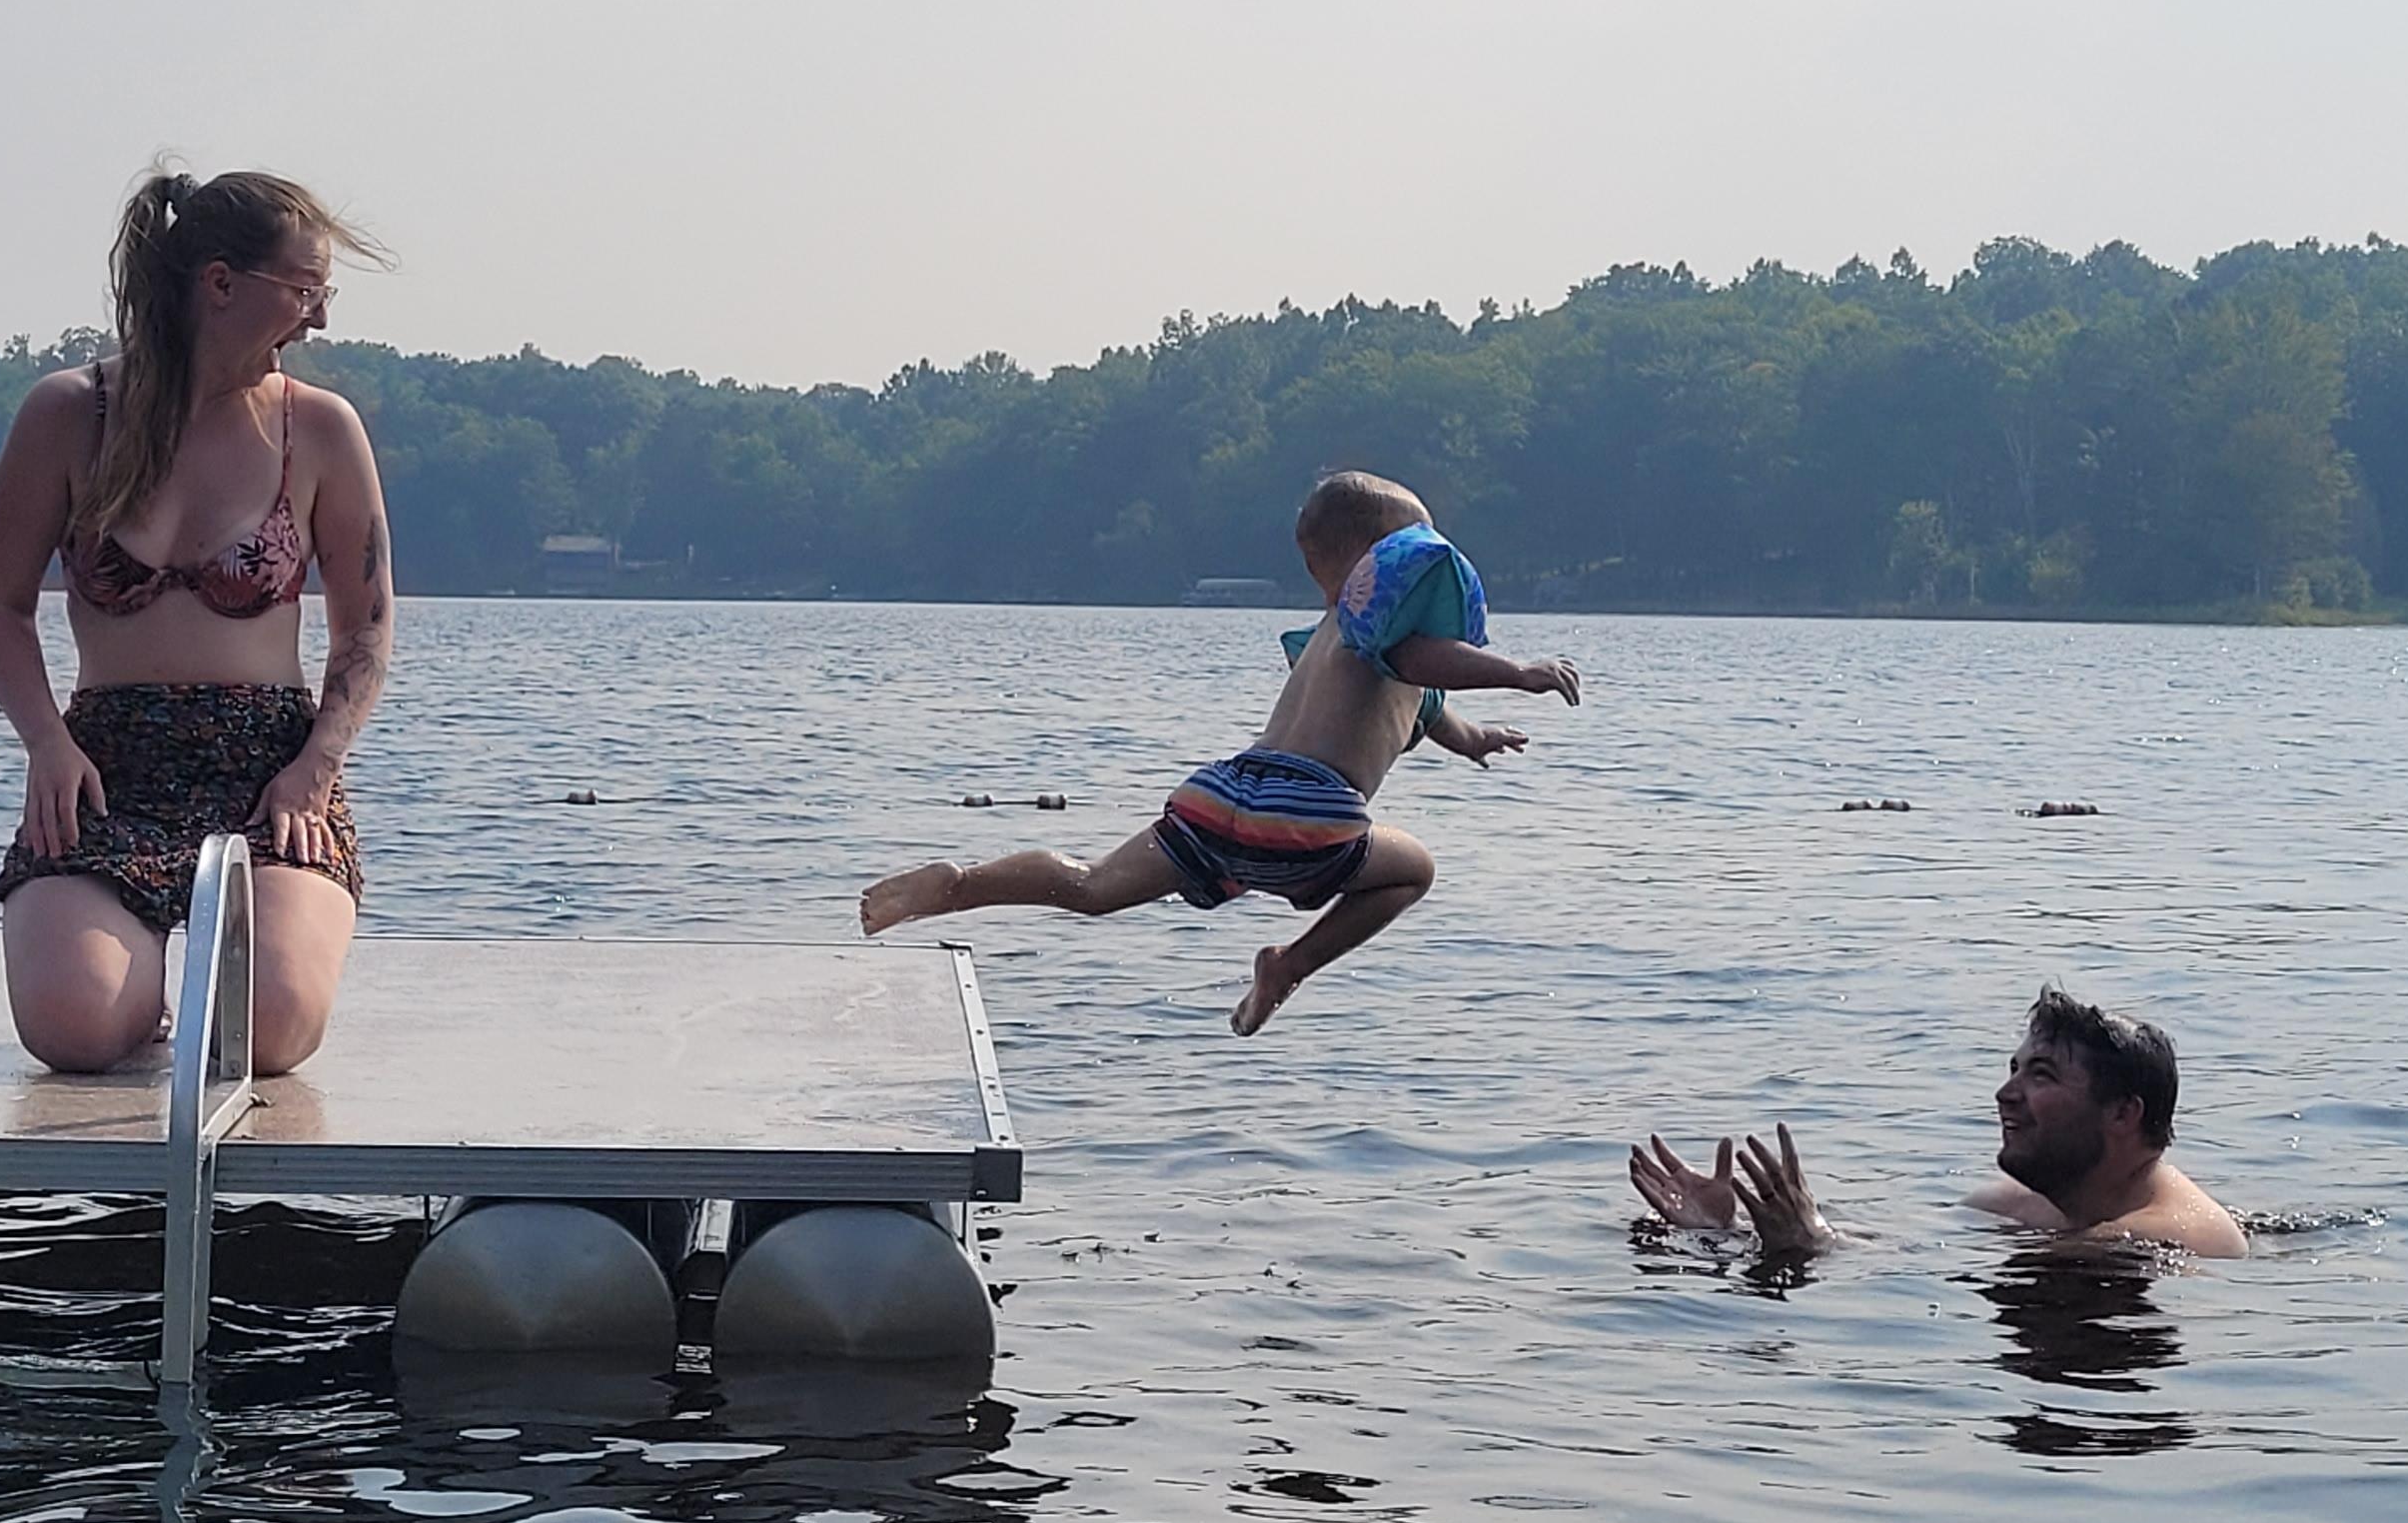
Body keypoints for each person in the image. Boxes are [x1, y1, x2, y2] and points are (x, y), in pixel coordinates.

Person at [860, 471, 1580, 1033]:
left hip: (1222, 792)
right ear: (1385, 567)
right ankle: (1289, 965)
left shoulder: (1332, 642)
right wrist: (1518, 674)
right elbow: (1423, 660)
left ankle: (960, 884)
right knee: (1413, 869)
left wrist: (1478, 740)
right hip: (1306, 810)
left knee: (1093, 886)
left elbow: (1432, 709)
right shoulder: (1389, 632)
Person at [0, 165, 396, 1075]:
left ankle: (217, 966)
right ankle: (134, 991)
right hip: (105, 769)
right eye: (305, 290)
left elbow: (365, 629)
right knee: (71, 1030)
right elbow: (1, 608)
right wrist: (46, 744)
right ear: (220, 284)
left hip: (270, 773)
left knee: (263, 1031)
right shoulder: (67, 414)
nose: (320, 318)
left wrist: (315, 770)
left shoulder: (320, 429)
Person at [1629, 987, 2248, 1259]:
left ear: (2122, 1113)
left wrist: (1811, 1242)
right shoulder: (2019, 1205)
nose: (2005, 1094)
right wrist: (1726, 1232)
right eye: (2013, 1070)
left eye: (2041, 1076)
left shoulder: (2171, 1238)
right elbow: (1908, 1251)